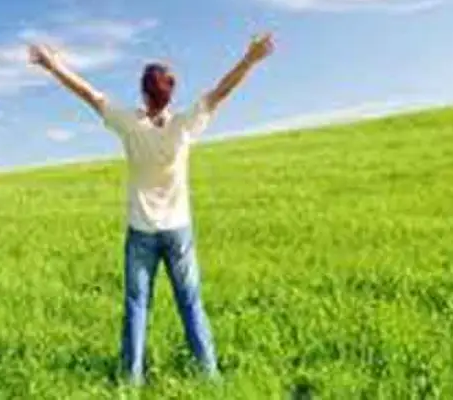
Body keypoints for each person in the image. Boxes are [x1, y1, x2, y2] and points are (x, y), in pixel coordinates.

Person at [27, 33, 275, 385]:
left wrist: (52, 65)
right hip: (178, 231)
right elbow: (221, 92)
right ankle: (210, 376)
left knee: (137, 305)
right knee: (190, 302)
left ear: (144, 95)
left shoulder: (130, 124)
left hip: (141, 231)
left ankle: (131, 381)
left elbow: (89, 94)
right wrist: (250, 58)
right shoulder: (182, 126)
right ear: (170, 94)